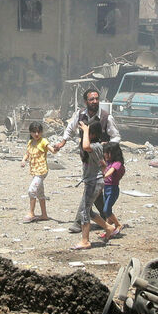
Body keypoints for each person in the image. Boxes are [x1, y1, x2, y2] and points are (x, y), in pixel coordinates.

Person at [54, 87, 120, 233]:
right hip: (86, 158)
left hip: (99, 157)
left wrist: (106, 146)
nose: (95, 101)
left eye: (97, 99)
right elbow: (70, 129)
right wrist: (62, 143)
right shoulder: (79, 115)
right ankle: (106, 217)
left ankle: (79, 222)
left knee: (91, 187)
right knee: (96, 191)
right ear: (86, 101)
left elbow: (116, 137)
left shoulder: (106, 117)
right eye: (91, 99)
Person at [73, 120, 118, 249]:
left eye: (88, 133)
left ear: (93, 134)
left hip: (94, 182)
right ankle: (108, 227)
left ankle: (85, 241)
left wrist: (86, 130)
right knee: (88, 210)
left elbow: (86, 146)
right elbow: (102, 164)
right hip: (93, 182)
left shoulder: (96, 146)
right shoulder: (97, 146)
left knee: (84, 211)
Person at [20, 122, 50, 222]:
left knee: (31, 191)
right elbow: (27, 153)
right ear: (30, 132)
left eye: (38, 132)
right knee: (40, 193)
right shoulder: (30, 142)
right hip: (34, 171)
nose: (36, 134)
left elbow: (52, 150)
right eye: (34, 132)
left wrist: (56, 148)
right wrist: (23, 160)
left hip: (41, 171)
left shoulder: (43, 141)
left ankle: (31, 213)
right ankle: (44, 215)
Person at [95, 141, 126, 241]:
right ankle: (108, 232)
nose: (105, 155)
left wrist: (103, 175)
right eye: (105, 153)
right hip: (106, 189)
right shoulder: (108, 162)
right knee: (107, 211)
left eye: (108, 153)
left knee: (106, 210)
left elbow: (110, 172)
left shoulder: (117, 164)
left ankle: (118, 224)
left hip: (113, 189)